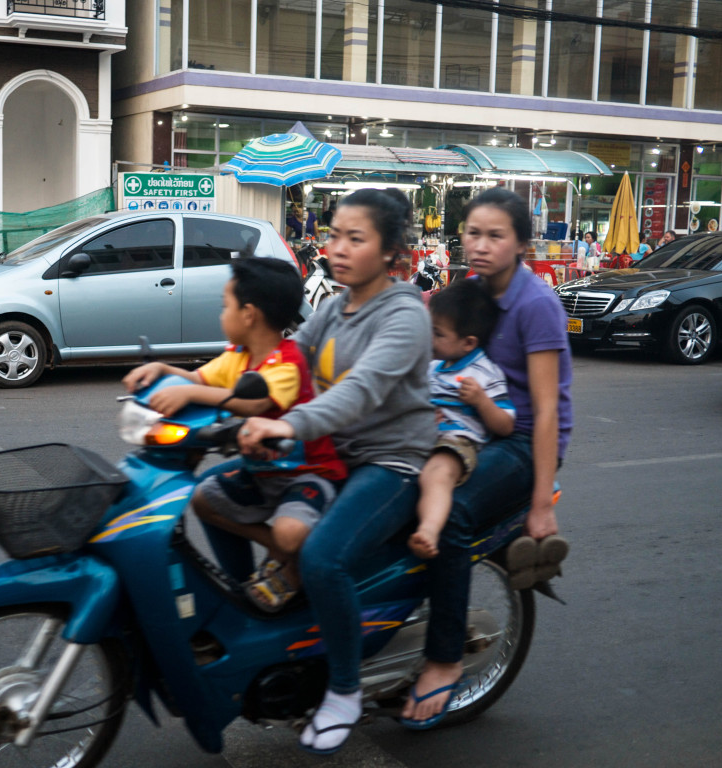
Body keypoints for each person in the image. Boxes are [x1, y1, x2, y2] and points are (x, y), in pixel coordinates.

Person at [237, 188, 434, 755]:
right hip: (334, 451)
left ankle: (344, 690)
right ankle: (261, 615)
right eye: (334, 235)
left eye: (356, 238)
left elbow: (359, 393)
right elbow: (283, 361)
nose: (338, 248)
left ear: (391, 249)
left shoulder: (404, 315)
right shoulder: (332, 305)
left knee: (323, 555)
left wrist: (286, 426)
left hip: (391, 461)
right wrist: (202, 389)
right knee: (215, 496)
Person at [399, 187, 572, 729]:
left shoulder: (536, 304)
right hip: (469, 427)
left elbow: (544, 412)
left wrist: (541, 502)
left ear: (520, 243)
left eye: (495, 235)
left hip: (519, 440)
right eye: (473, 232)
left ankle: (444, 660)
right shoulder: (469, 289)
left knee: (451, 517)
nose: (480, 244)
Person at [122, 257, 345, 612]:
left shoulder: (287, 362)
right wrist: (161, 368)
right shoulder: (236, 357)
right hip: (262, 474)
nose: (221, 314)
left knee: (291, 533)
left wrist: (191, 394)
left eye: (225, 306)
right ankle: (278, 551)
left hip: (308, 476)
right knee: (204, 499)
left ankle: (292, 556)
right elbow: (198, 379)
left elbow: (253, 403)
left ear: (249, 314)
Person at [409, 280, 516, 560]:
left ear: (468, 343)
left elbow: (506, 424)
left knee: (437, 474)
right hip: (422, 435)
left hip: (457, 442)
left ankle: (429, 531)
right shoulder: (433, 366)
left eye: (438, 334)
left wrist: (482, 401)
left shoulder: (483, 373)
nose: (429, 339)